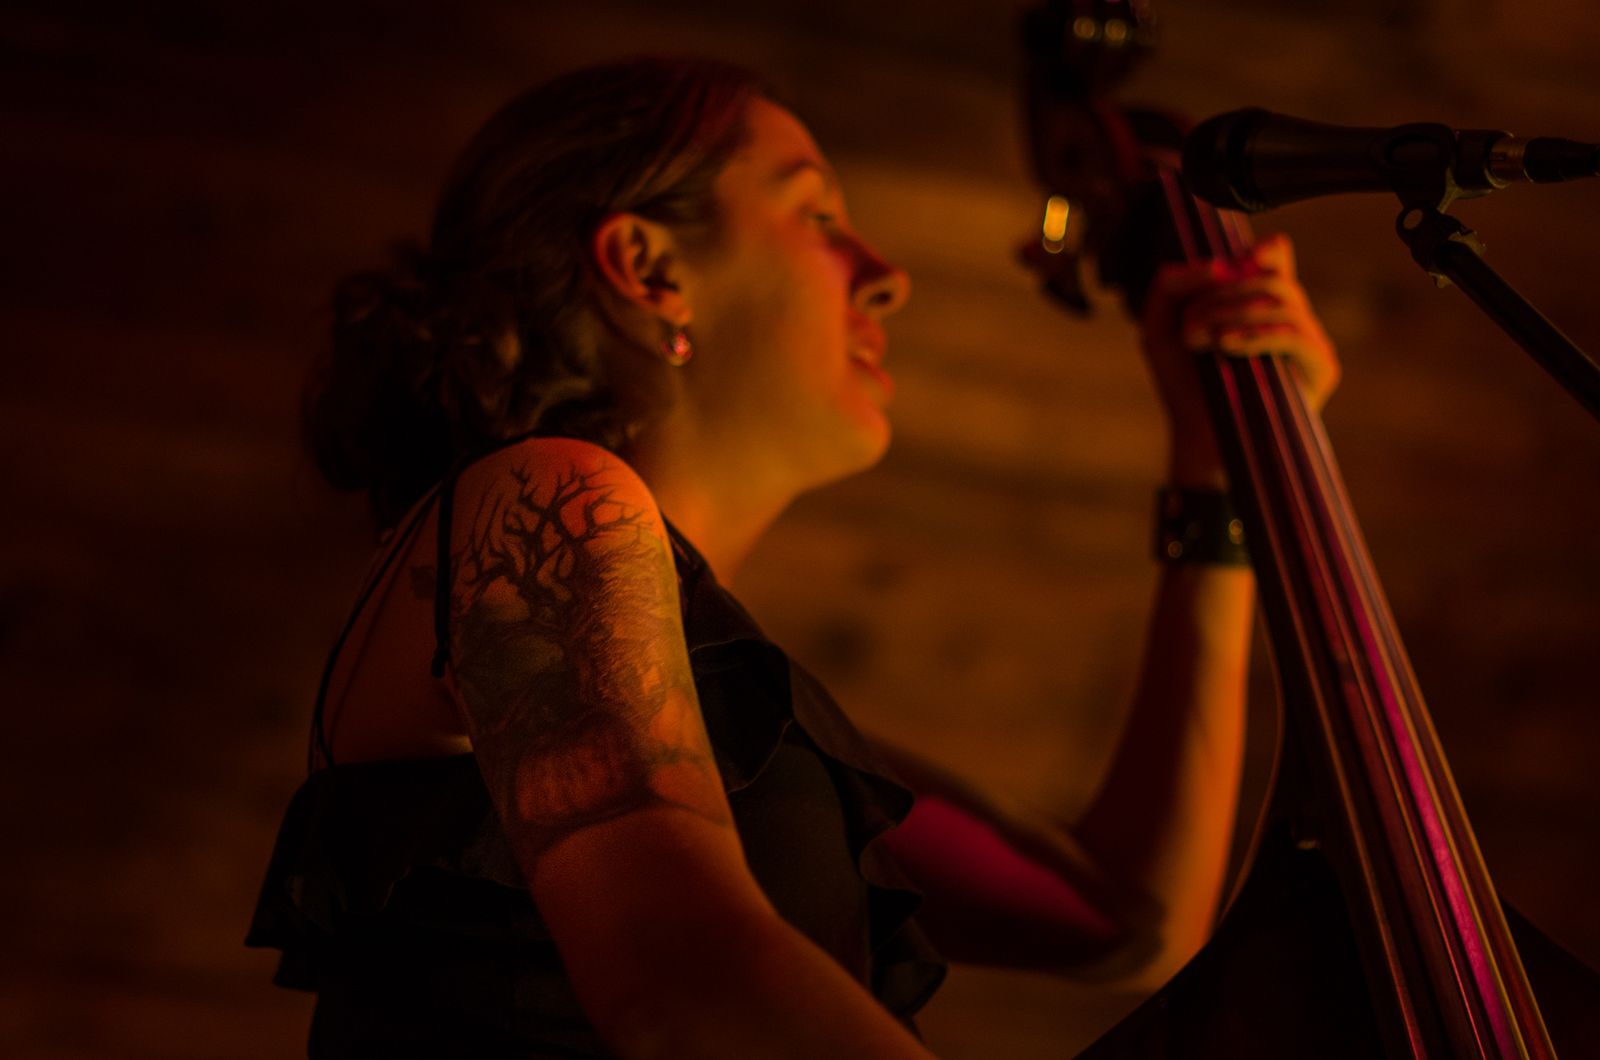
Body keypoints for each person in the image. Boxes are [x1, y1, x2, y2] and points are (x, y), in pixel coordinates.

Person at [247, 56, 1339, 1058]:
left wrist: (1218, 482)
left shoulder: (760, 728)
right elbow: (686, 978)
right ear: (648, 267)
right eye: (818, 214)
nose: (886, 275)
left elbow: (1122, 922)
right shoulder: (543, 498)